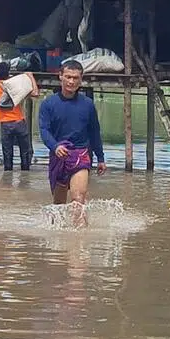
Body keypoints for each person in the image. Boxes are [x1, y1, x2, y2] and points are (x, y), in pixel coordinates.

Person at [38, 60, 106, 223]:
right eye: (68, 77)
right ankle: (57, 237)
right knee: (59, 204)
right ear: (60, 76)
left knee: (78, 198)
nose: (71, 81)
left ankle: (78, 240)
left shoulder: (88, 105)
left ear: (81, 79)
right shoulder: (48, 104)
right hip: (59, 154)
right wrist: (55, 146)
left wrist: (101, 158)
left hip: (81, 154)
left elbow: (94, 132)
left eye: (76, 78)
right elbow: (44, 130)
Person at [0, 55, 36, 171]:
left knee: (7, 153)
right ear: (8, 74)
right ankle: (25, 174)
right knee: (25, 152)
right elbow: (33, 92)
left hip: (5, 124)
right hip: (19, 122)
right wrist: (30, 76)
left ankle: (7, 177)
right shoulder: (15, 85)